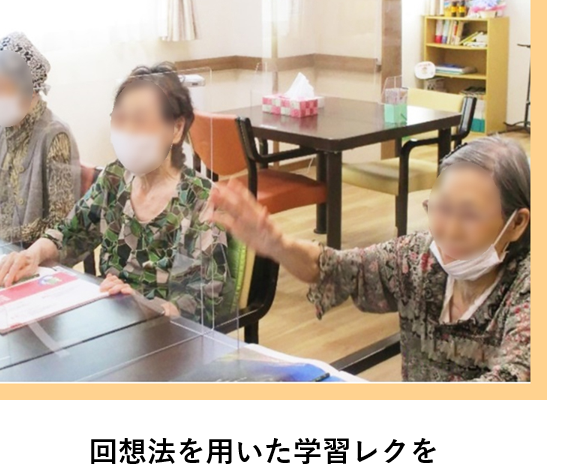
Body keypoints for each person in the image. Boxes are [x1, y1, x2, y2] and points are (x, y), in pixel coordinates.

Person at [206, 136, 533, 382]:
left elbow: (513, 382)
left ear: (517, 223)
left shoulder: (530, 287)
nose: (449, 230)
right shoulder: (419, 258)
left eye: (470, 215)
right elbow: (340, 269)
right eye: (442, 208)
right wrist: (276, 243)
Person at [0, 63, 228, 324]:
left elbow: (200, 301)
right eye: (120, 120)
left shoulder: (200, 198)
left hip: (165, 335)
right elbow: (69, 234)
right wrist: (32, 255)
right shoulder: (115, 178)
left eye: (140, 121)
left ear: (177, 128)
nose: (128, 131)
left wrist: (140, 303)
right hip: (113, 320)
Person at [0, 32, 82, 247]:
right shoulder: (0, 127)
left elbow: (62, 223)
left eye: (3, 88)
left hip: (28, 252)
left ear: (31, 89)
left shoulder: (55, 135)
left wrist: (3, 234)